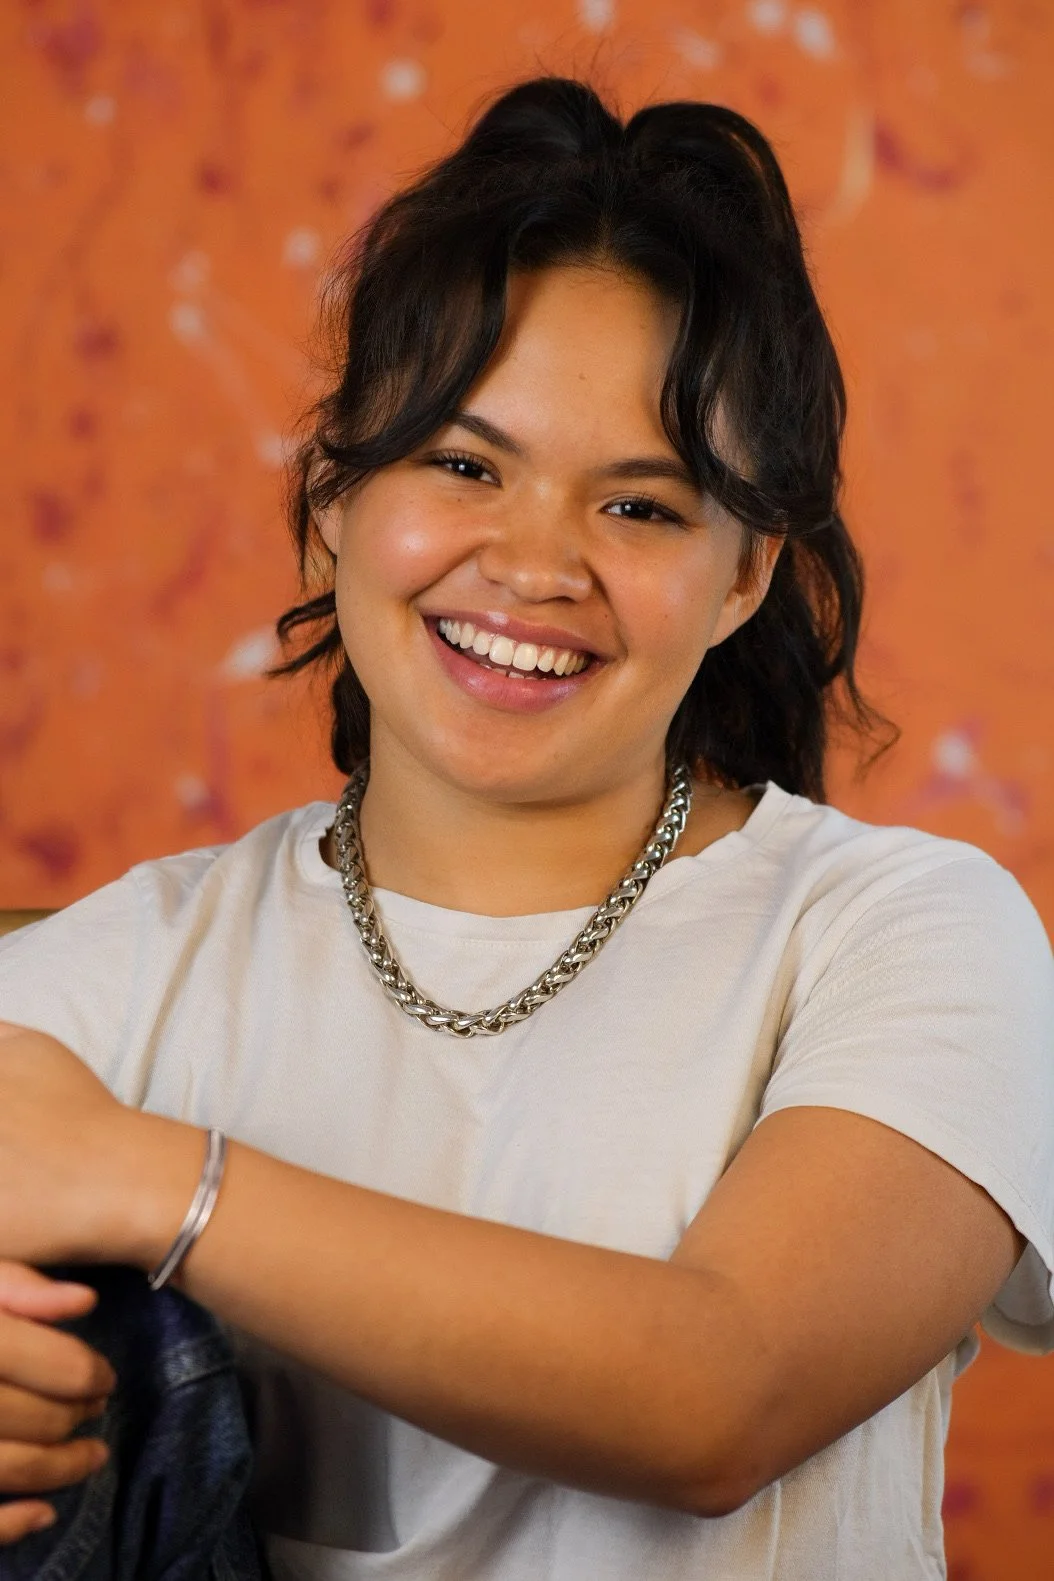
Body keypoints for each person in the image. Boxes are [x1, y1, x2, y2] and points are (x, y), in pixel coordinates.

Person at [0, 74, 1051, 1581]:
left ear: (743, 578)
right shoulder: (112, 978)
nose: (535, 562)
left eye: (640, 507)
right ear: (332, 507)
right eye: (463, 464)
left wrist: (149, 1183)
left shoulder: (901, 932)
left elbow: (720, 1396)